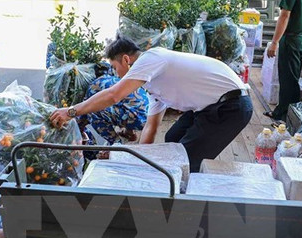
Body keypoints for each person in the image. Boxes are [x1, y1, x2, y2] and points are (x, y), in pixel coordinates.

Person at [50, 37, 253, 172]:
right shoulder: (154, 86)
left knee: (184, 161)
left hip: (231, 106)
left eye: (114, 67)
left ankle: (187, 205)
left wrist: (71, 112)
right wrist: (135, 160)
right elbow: (151, 127)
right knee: (173, 138)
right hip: (210, 106)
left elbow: (114, 95)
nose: (115, 74)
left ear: (126, 60)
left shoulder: (152, 58)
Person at [82, 73, 148, 145]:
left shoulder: (92, 89)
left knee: (92, 111)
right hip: (151, 115)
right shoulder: (108, 78)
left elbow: (81, 120)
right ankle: (129, 132)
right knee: (122, 104)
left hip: (139, 119)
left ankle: (115, 144)